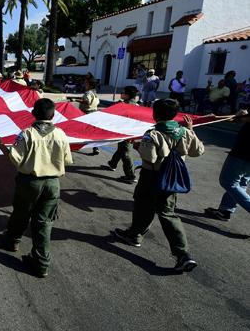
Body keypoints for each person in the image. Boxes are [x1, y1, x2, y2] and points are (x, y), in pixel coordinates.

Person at [114, 99, 204, 272]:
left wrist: (139, 145)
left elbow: (150, 158)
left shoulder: (153, 134)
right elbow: (198, 151)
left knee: (143, 207)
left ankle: (134, 236)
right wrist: (191, 130)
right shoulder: (185, 131)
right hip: (171, 179)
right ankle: (183, 254)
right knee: (168, 213)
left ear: (155, 115)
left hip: (152, 177)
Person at [0, 98, 73, 277]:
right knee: (44, 222)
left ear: (32, 113)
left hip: (30, 183)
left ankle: (12, 240)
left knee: (21, 212)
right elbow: (67, 160)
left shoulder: (26, 134)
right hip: (52, 184)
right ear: (53, 115)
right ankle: (41, 262)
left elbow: (15, 159)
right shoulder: (61, 134)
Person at [205, 110, 250, 221]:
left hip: (243, 153)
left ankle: (226, 209)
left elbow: (241, 118)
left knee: (229, 182)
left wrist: (216, 117)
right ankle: (225, 210)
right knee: (241, 181)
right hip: (245, 154)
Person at [107, 86, 140, 182]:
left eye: (123, 92)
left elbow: (111, 114)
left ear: (127, 95)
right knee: (122, 147)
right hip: (133, 131)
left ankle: (130, 175)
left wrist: (116, 106)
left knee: (126, 152)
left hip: (124, 131)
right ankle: (113, 163)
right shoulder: (137, 105)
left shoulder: (123, 105)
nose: (121, 94)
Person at [70, 79, 100, 154]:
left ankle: (75, 145)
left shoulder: (88, 93)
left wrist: (76, 99)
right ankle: (96, 147)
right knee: (92, 130)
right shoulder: (95, 93)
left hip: (86, 113)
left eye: (86, 84)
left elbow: (87, 102)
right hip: (93, 113)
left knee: (79, 129)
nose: (85, 86)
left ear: (91, 86)